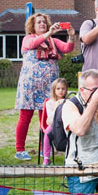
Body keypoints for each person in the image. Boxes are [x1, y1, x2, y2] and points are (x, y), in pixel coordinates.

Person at [14, 13, 75, 160]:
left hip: (48, 86)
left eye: (44, 22)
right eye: (39, 22)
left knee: (46, 118)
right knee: (25, 117)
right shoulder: (28, 39)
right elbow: (34, 44)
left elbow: (67, 48)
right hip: (30, 87)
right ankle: (20, 149)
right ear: (32, 26)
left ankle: (44, 147)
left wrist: (71, 36)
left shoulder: (52, 41)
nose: (42, 24)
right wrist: (48, 33)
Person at [42, 77, 68, 166]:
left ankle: (70, 156)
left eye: (63, 89)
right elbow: (50, 119)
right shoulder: (49, 102)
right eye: (58, 88)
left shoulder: (69, 101)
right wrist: (57, 107)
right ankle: (46, 157)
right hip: (54, 124)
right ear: (54, 90)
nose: (61, 91)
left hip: (66, 123)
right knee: (47, 133)